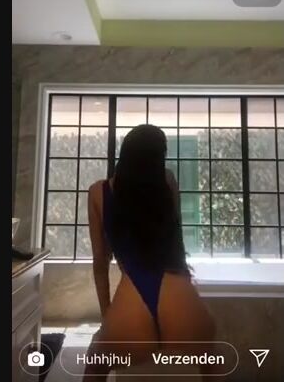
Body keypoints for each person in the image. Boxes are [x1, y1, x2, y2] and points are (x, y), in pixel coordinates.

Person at [83, 124, 217, 381]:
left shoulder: (98, 192)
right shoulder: (168, 181)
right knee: (212, 361)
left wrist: (107, 318)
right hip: (179, 294)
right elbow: (177, 240)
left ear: (124, 153)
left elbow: (100, 262)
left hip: (133, 296)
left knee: (95, 366)